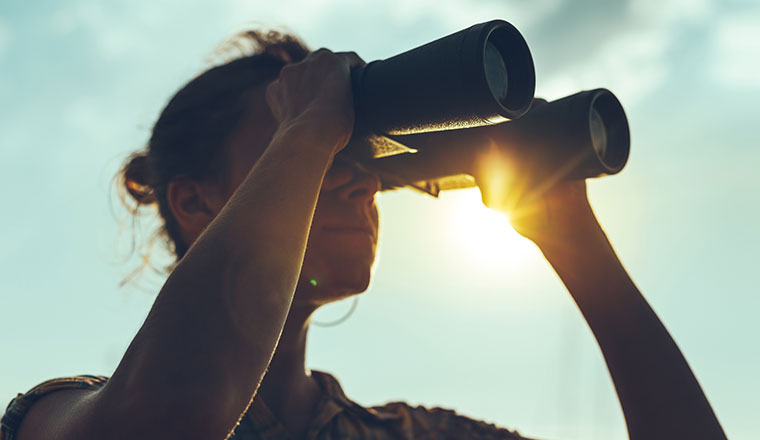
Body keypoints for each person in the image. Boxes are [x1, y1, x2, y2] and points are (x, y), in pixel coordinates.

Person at [0, 30, 726, 440]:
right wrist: (312, 126)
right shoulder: (62, 415)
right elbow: (165, 422)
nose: (357, 179)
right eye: (311, 152)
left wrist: (573, 241)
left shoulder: (413, 436)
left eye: (359, 155)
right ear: (193, 202)